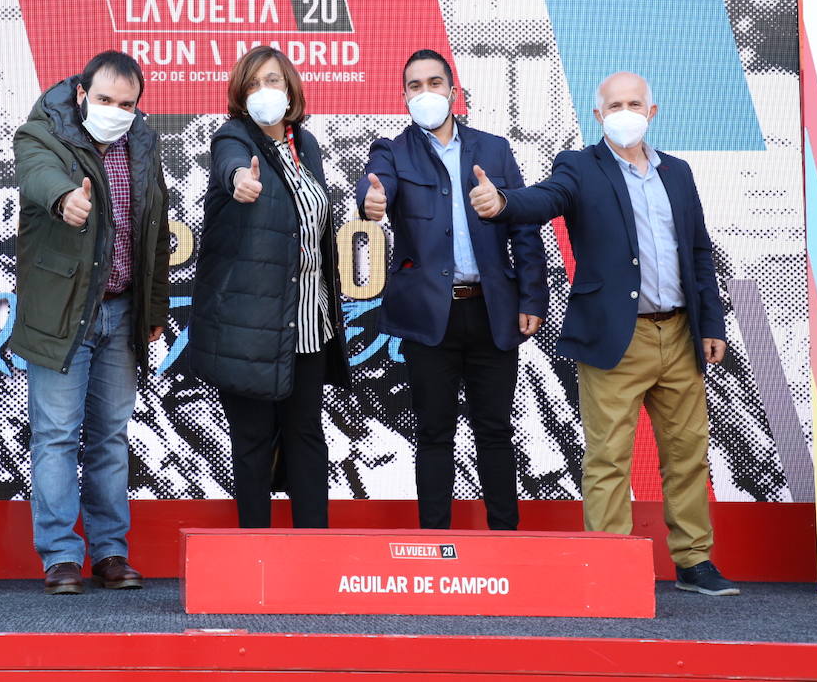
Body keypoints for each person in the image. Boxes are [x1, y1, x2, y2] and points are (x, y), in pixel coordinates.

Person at [468, 71, 738, 596]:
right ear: (598, 115)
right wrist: (502, 204)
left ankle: (693, 560)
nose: (625, 111)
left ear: (652, 111)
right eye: (614, 104)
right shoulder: (578, 166)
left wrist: (711, 323)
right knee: (608, 456)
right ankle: (611, 563)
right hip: (616, 338)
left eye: (635, 102)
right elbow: (543, 200)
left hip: (680, 334)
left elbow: (698, 252)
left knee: (688, 453)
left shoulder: (678, 174)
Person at [355, 49, 546, 531]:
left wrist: (531, 299)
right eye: (414, 86)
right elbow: (375, 189)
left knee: (496, 432)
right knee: (434, 434)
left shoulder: (494, 149)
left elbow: (524, 226)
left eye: (434, 83)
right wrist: (372, 200)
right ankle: (435, 543)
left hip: (492, 311)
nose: (426, 93)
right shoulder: (392, 151)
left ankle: (507, 539)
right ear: (404, 97)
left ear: (453, 91)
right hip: (430, 318)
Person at [12, 50, 171, 594]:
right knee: (56, 435)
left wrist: (153, 311)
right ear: (81, 95)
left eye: (127, 104)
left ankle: (109, 553)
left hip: (124, 312)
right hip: (63, 312)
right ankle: (60, 556)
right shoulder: (42, 133)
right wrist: (63, 200)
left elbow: (153, 232)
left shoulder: (143, 143)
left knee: (109, 438)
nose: (115, 111)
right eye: (104, 100)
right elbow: (39, 177)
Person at [189, 45, 351, 529]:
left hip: (307, 320)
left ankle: (312, 552)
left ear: (291, 89)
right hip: (250, 327)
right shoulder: (232, 139)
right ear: (242, 93)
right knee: (254, 440)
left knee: (306, 435)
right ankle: (255, 557)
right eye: (256, 82)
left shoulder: (307, 147)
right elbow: (231, 165)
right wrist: (240, 180)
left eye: (275, 81)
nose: (266, 91)